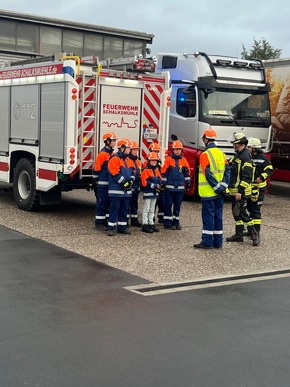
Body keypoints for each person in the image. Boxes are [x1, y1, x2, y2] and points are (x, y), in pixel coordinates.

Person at [193, 129, 230, 249]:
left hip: (209, 192)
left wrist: (217, 187)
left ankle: (207, 242)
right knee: (218, 217)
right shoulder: (221, 153)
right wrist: (223, 186)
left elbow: (207, 173)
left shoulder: (205, 155)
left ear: (206, 139)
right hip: (220, 193)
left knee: (208, 217)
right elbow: (228, 171)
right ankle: (218, 242)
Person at [226, 133, 259, 246]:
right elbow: (232, 164)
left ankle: (254, 234)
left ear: (240, 144)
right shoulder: (238, 154)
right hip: (236, 191)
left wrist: (240, 191)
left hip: (242, 192)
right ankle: (239, 235)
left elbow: (247, 177)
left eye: (234, 143)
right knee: (236, 214)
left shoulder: (245, 156)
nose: (233, 145)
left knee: (243, 214)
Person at [246, 137, 273, 245]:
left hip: (258, 189)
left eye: (249, 147)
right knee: (249, 208)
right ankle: (251, 231)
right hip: (249, 188)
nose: (247, 148)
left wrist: (262, 177)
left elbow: (270, 170)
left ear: (254, 148)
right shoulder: (248, 156)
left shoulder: (263, 158)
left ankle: (256, 233)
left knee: (255, 210)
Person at [107, 138, 135, 236]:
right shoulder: (114, 159)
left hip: (126, 191)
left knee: (124, 209)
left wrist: (131, 180)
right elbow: (114, 173)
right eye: (128, 148)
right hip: (116, 190)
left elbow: (133, 171)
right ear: (122, 148)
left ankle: (122, 227)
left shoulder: (128, 160)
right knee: (114, 208)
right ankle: (111, 228)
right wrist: (124, 182)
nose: (129, 150)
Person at [161, 140, 191, 230]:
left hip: (180, 188)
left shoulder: (184, 160)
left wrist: (188, 183)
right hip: (169, 188)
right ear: (172, 150)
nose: (178, 151)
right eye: (176, 149)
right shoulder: (168, 160)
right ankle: (167, 223)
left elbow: (187, 173)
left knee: (177, 206)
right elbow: (164, 172)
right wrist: (163, 183)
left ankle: (176, 222)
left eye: (179, 149)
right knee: (168, 205)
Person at [93, 132, 117, 231]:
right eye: (113, 141)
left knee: (107, 204)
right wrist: (96, 182)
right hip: (102, 184)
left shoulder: (112, 154)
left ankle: (106, 221)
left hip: (109, 184)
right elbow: (96, 169)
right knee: (101, 203)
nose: (115, 143)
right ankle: (99, 223)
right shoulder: (102, 154)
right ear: (108, 141)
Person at [141, 152, 163, 233]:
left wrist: (161, 183)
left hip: (155, 193)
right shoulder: (146, 171)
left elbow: (160, 179)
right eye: (152, 160)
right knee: (147, 208)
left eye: (155, 160)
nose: (154, 162)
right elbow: (144, 183)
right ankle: (145, 224)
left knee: (152, 209)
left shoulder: (156, 170)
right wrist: (155, 186)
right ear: (148, 161)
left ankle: (151, 223)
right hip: (148, 192)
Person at [128, 141, 142, 227]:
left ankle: (134, 220)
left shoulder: (138, 161)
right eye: (134, 150)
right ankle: (124, 221)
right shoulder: (127, 160)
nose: (135, 151)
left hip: (136, 186)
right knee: (126, 205)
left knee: (134, 204)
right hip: (129, 186)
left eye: (136, 150)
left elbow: (140, 173)